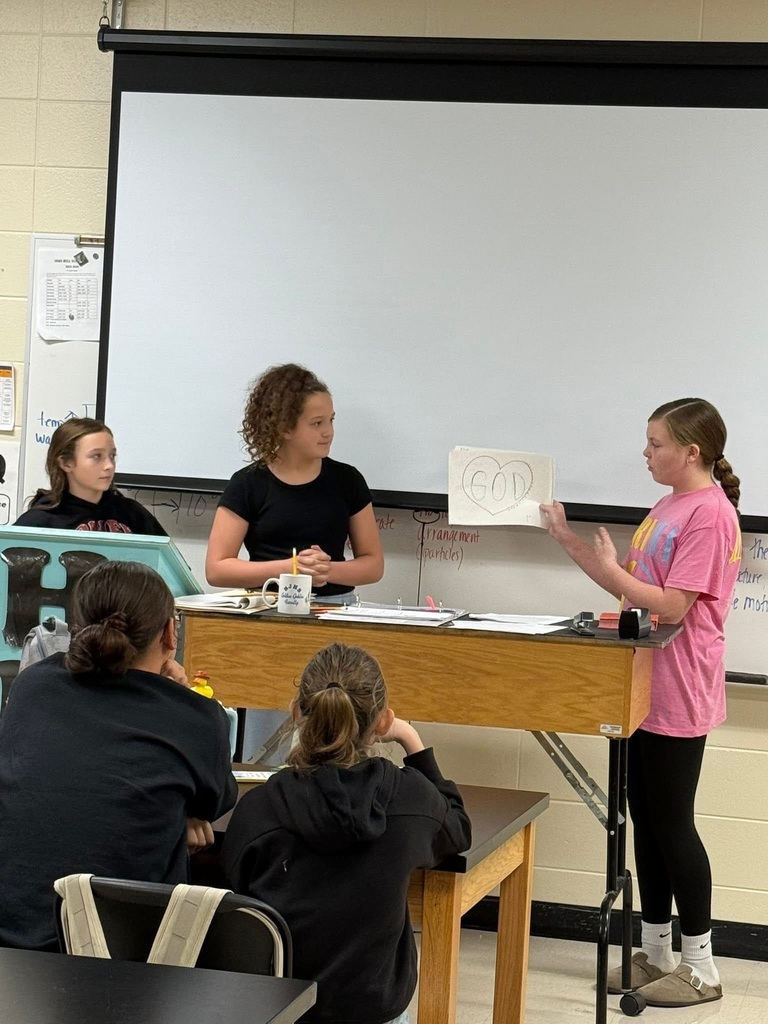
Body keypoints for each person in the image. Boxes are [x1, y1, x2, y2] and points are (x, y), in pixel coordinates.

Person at [541, 398, 741, 1009]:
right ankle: (656, 952)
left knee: (673, 823)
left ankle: (701, 966)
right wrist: (568, 539)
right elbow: (629, 587)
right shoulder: (668, 506)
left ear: (691, 451)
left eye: (655, 444)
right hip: (643, 685)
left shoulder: (709, 514)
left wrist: (611, 568)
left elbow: (674, 606)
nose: (646, 453)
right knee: (645, 821)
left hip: (681, 686)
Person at [221, 642, 471, 1024]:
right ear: (382, 722)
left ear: (296, 713)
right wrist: (412, 740)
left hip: (281, 1009)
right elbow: (458, 827)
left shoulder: (259, 810)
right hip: (373, 1011)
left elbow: (233, 889)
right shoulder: (410, 801)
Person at [0, 560, 237, 952]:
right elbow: (214, 802)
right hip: (118, 961)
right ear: (170, 632)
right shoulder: (196, 717)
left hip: (11, 949)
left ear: (77, 625)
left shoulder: (31, 687)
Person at [205, 363, 383, 597]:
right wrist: (291, 569)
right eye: (317, 423)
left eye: (331, 420)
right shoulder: (247, 484)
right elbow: (217, 569)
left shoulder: (348, 480)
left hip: (335, 608)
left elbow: (373, 565)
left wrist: (325, 570)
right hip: (267, 606)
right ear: (284, 429)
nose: (328, 432)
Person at [14, 417, 165, 535]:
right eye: (96, 456)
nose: (109, 465)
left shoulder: (133, 514)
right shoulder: (41, 521)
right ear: (66, 463)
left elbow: (170, 568)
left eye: (112, 455)